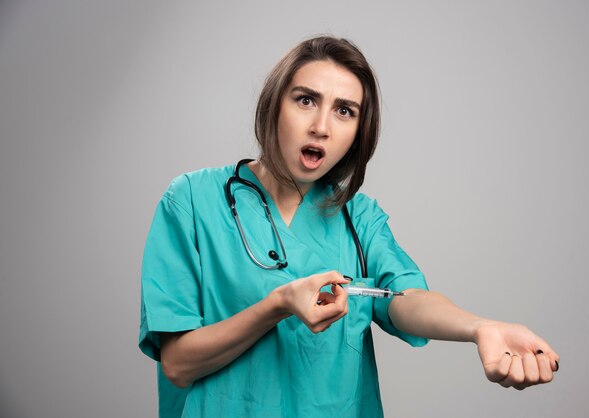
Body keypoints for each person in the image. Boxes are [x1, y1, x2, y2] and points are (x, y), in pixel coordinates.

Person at [139, 36, 559, 418]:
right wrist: (278, 305)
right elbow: (178, 363)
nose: (322, 126)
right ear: (274, 105)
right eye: (305, 100)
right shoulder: (193, 201)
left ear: (359, 131)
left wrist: (480, 328)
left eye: (345, 111)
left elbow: (406, 298)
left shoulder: (359, 218)